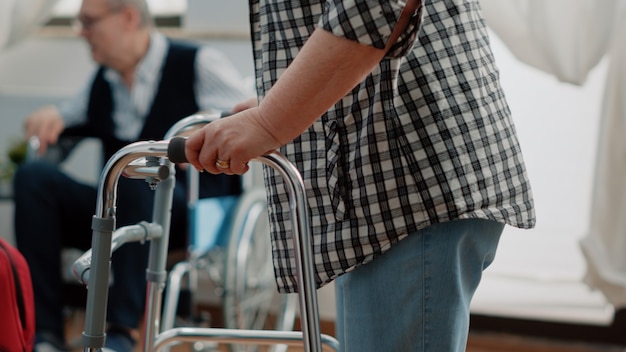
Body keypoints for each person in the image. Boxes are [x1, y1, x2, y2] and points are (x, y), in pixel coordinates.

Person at [183, 0, 536, 351]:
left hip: (406, 174)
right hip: (385, 176)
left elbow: (373, 6)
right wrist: (281, 104)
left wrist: (270, 121)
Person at [13, 0, 250, 351]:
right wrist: (52, 115)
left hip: (184, 211)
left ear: (127, 18)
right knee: (33, 179)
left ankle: (122, 334)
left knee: (137, 176)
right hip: (115, 211)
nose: (82, 33)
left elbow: (249, 112)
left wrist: (206, 129)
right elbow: (68, 115)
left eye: (89, 22)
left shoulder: (197, 62)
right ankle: (45, 334)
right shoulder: (104, 76)